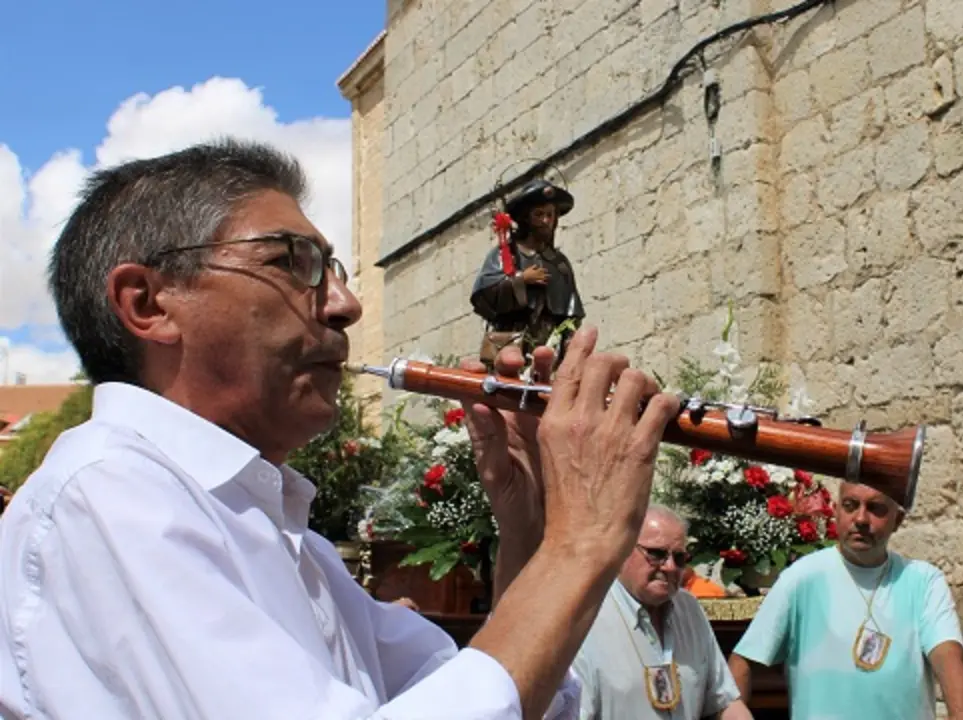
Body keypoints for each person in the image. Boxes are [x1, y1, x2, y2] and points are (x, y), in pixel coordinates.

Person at [0, 139, 681, 719]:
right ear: (147, 304)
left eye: (332, 269)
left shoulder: (290, 541)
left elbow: (492, 693)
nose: (346, 304)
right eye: (288, 262)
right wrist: (583, 543)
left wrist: (531, 533)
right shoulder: (109, 496)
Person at [727, 481, 963, 720]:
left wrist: (961, 713)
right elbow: (742, 661)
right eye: (850, 505)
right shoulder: (801, 578)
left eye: (875, 508)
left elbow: (947, 653)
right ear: (835, 512)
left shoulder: (923, 581)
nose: (861, 519)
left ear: (898, 520)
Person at [571, 505, 751, 720]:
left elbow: (725, 702)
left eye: (679, 558)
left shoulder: (689, 609)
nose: (669, 567)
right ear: (623, 547)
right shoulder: (586, 617)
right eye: (656, 554)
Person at [470, 178, 586, 367]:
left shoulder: (559, 263)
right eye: (538, 214)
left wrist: (570, 345)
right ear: (526, 218)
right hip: (511, 341)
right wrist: (521, 279)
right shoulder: (506, 254)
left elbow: (571, 313)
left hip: (549, 347)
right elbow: (484, 295)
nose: (545, 221)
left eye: (550, 214)